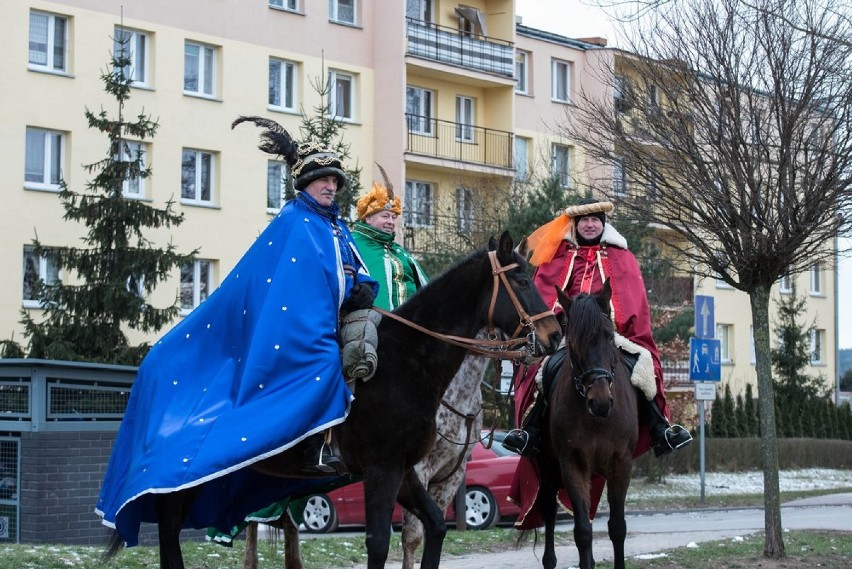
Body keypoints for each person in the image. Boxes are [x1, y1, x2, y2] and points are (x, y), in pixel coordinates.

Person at [96, 116, 378, 545]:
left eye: (334, 181)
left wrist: (361, 288)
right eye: (322, 180)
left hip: (331, 321)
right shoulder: (295, 222)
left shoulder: (335, 225)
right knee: (322, 364)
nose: (330, 187)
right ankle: (318, 446)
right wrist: (340, 295)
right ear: (303, 183)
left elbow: (354, 272)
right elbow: (290, 292)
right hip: (297, 332)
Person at [502, 198, 692, 459]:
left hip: (612, 336)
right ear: (576, 224)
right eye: (585, 221)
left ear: (602, 224)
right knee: (541, 369)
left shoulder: (622, 257)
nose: (590, 225)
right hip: (570, 337)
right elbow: (544, 300)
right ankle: (530, 430)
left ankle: (662, 428)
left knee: (645, 364)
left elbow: (634, 303)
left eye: (595, 220)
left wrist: (615, 324)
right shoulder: (559, 256)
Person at [351, 164, 428, 310]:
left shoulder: (398, 250)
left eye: (393, 217)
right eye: (385, 216)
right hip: (376, 324)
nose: (390, 222)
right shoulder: (353, 244)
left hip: (414, 323)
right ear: (368, 218)